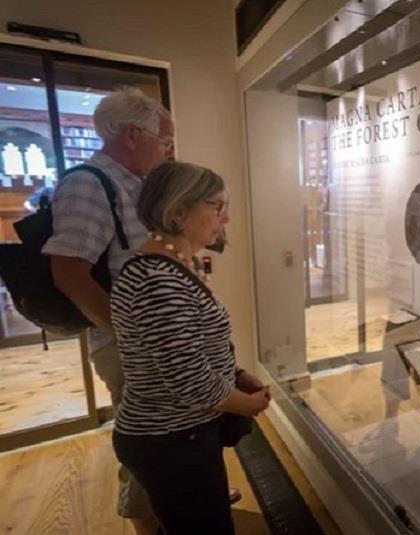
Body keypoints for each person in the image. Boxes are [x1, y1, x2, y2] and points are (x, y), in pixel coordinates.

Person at [111, 161, 270, 534]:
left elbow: (189, 348)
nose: (225, 219)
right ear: (179, 210)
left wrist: (235, 374)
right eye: (216, 207)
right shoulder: (157, 279)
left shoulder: (172, 266)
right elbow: (190, 383)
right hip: (169, 440)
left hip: (180, 434)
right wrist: (249, 404)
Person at [43, 86, 173, 534]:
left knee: (166, 435)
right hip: (130, 345)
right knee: (145, 441)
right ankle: (145, 524)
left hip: (154, 339)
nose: (167, 149)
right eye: (164, 140)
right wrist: (128, 335)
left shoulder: (134, 182)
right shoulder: (87, 183)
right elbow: (68, 271)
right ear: (133, 134)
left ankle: (174, 503)